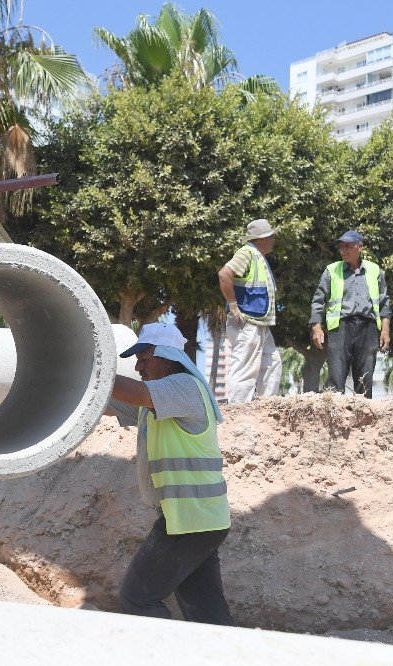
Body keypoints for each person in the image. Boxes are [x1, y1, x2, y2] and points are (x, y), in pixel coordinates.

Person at [107, 321, 234, 625]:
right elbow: (111, 400)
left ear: (167, 357)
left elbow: (132, 391)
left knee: (137, 597)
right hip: (201, 519)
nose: (138, 366)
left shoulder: (184, 386)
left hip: (191, 520)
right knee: (207, 613)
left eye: (144, 359)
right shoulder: (157, 399)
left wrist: (88, 369)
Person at [310, 230, 392, 398]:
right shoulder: (331, 270)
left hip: (368, 328)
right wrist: (316, 328)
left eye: (347, 246)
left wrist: (385, 331)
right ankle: (334, 418)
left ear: (359, 247)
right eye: (341, 246)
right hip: (340, 328)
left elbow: (384, 303)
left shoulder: (374, 270)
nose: (343, 250)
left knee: (365, 380)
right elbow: (318, 301)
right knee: (336, 379)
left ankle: (363, 419)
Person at [217, 218, 282, 403]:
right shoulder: (247, 252)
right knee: (245, 368)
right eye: (270, 237)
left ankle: (265, 406)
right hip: (247, 322)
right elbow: (224, 274)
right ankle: (238, 411)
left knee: (272, 363)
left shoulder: (257, 256)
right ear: (261, 238)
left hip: (259, 322)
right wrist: (233, 305)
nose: (272, 240)